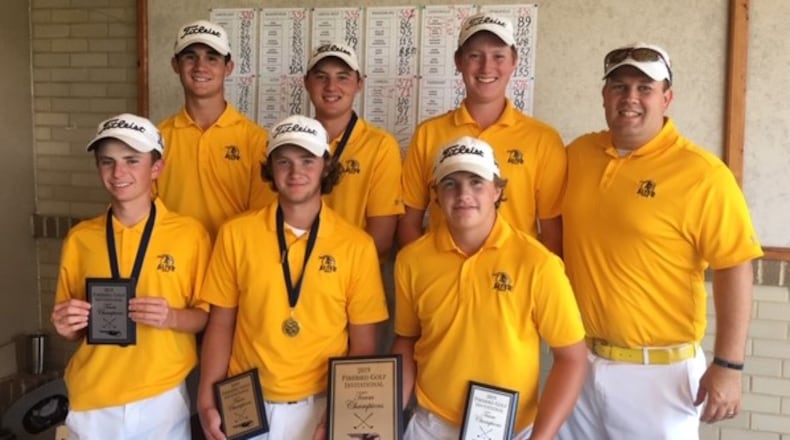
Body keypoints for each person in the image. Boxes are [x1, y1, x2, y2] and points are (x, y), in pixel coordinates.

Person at [558, 43, 764, 439]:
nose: (630, 98)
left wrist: (729, 365)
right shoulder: (579, 155)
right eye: (619, 87)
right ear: (604, 96)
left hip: (659, 376)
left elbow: (734, 265)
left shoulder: (703, 174)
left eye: (644, 88)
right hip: (580, 365)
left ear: (666, 98)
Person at [196, 115, 389, 440]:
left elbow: (363, 343)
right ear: (270, 168)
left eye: (307, 160)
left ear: (326, 167)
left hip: (320, 407)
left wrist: (341, 412)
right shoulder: (236, 234)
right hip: (245, 401)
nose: (295, 172)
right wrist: (205, 397)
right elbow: (220, 324)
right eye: (283, 161)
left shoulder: (357, 245)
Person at [392, 136, 587, 440]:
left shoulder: (537, 263)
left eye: (476, 182)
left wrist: (541, 436)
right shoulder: (411, 260)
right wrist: (385, 417)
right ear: (436, 195)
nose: (463, 194)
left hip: (510, 429)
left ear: (497, 190)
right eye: (450, 184)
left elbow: (572, 358)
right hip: (430, 424)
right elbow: (406, 341)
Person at [50, 113, 211, 439]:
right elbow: (72, 328)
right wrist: (66, 326)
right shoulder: (81, 238)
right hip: (93, 398)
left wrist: (171, 317)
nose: (118, 172)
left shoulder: (190, 235)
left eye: (131, 160)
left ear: (156, 168)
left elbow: (205, 316)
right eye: (107, 162)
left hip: (161, 397)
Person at [398, 13, 566, 255]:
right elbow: (408, 222)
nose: (487, 67)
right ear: (459, 61)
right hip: (444, 284)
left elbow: (552, 234)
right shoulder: (428, 134)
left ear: (514, 61)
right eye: (475, 56)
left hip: (513, 284)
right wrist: (427, 272)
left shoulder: (543, 139)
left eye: (498, 56)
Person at [158, 19, 271, 240]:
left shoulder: (257, 140)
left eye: (212, 58)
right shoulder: (156, 139)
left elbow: (261, 217)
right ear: (175, 65)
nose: (200, 67)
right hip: (173, 264)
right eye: (190, 57)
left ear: (228, 68)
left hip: (232, 263)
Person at [302, 42, 404, 258]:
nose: (331, 87)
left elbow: (382, 238)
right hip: (292, 276)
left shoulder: (380, 146)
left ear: (359, 84)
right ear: (306, 83)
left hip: (352, 278)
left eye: (342, 77)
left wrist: (328, 273)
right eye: (321, 77)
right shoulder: (290, 145)